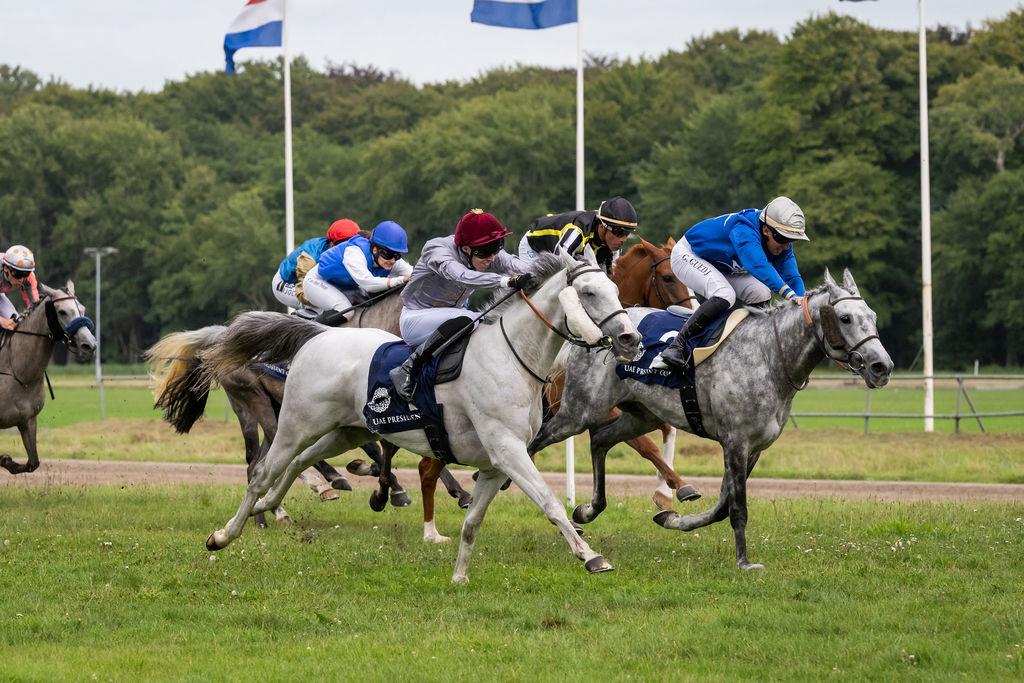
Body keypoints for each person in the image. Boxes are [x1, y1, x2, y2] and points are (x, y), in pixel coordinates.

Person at [389, 209, 533, 401]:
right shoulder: (436, 250)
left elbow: (515, 265)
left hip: (452, 316)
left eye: (495, 248)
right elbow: (461, 276)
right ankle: (407, 368)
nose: (491, 257)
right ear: (466, 249)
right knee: (472, 318)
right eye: (485, 252)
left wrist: (551, 271)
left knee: (484, 325)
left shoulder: (482, 250)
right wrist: (506, 281)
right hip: (416, 317)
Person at [655, 196, 809, 370]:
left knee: (761, 293)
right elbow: (759, 266)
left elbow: (793, 277)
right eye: (782, 238)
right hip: (689, 255)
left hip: (724, 266)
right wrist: (790, 295)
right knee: (725, 294)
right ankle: (676, 346)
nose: (787, 246)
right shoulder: (744, 230)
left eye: (791, 240)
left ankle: (754, 347)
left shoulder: (780, 241)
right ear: (766, 230)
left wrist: (802, 301)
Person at [302, 220, 413, 326]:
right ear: (375, 249)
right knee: (345, 310)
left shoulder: (391, 259)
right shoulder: (355, 252)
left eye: (397, 255)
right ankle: (308, 332)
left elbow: (414, 273)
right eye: (388, 254)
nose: (393, 260)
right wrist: (401, 279)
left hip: (344, 285)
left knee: (369, 303)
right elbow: (369, 284)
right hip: (317, 281)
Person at [518, 196, 638, 274]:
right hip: (535, 247)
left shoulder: (613, 244)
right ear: (603, 226)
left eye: (627, 233)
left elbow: (611, 279)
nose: (623, 239)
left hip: (564, 252)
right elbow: (557, 272)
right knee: (539, 285)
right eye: (619, 232)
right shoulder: (578, 232)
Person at [271, 218, 360, 309]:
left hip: (312, 280)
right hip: (287, 282)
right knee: (320, 302)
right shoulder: (311, 257)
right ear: (332, 244)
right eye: (343, 246)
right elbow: (304, 292)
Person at [0, 245, 39, 331]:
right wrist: (2, 321)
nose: (22, 279)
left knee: (15, 323)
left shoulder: (29, 277)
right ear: (6, 268)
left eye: (25, 274)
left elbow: (34, 306)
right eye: (18, 274)